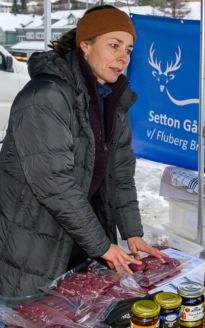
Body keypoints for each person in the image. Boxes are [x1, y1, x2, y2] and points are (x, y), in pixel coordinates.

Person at [0, 5, 163, 297]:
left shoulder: (113, 100)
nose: (123, 57)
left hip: (80, 235)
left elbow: (121, 173)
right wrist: (101, 245)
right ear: (85, 45)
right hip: (31, 239)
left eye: (128, 49)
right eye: (113, 45)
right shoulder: (46, 96)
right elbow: (55, 183)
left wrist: (132, 232)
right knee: (28, 326)